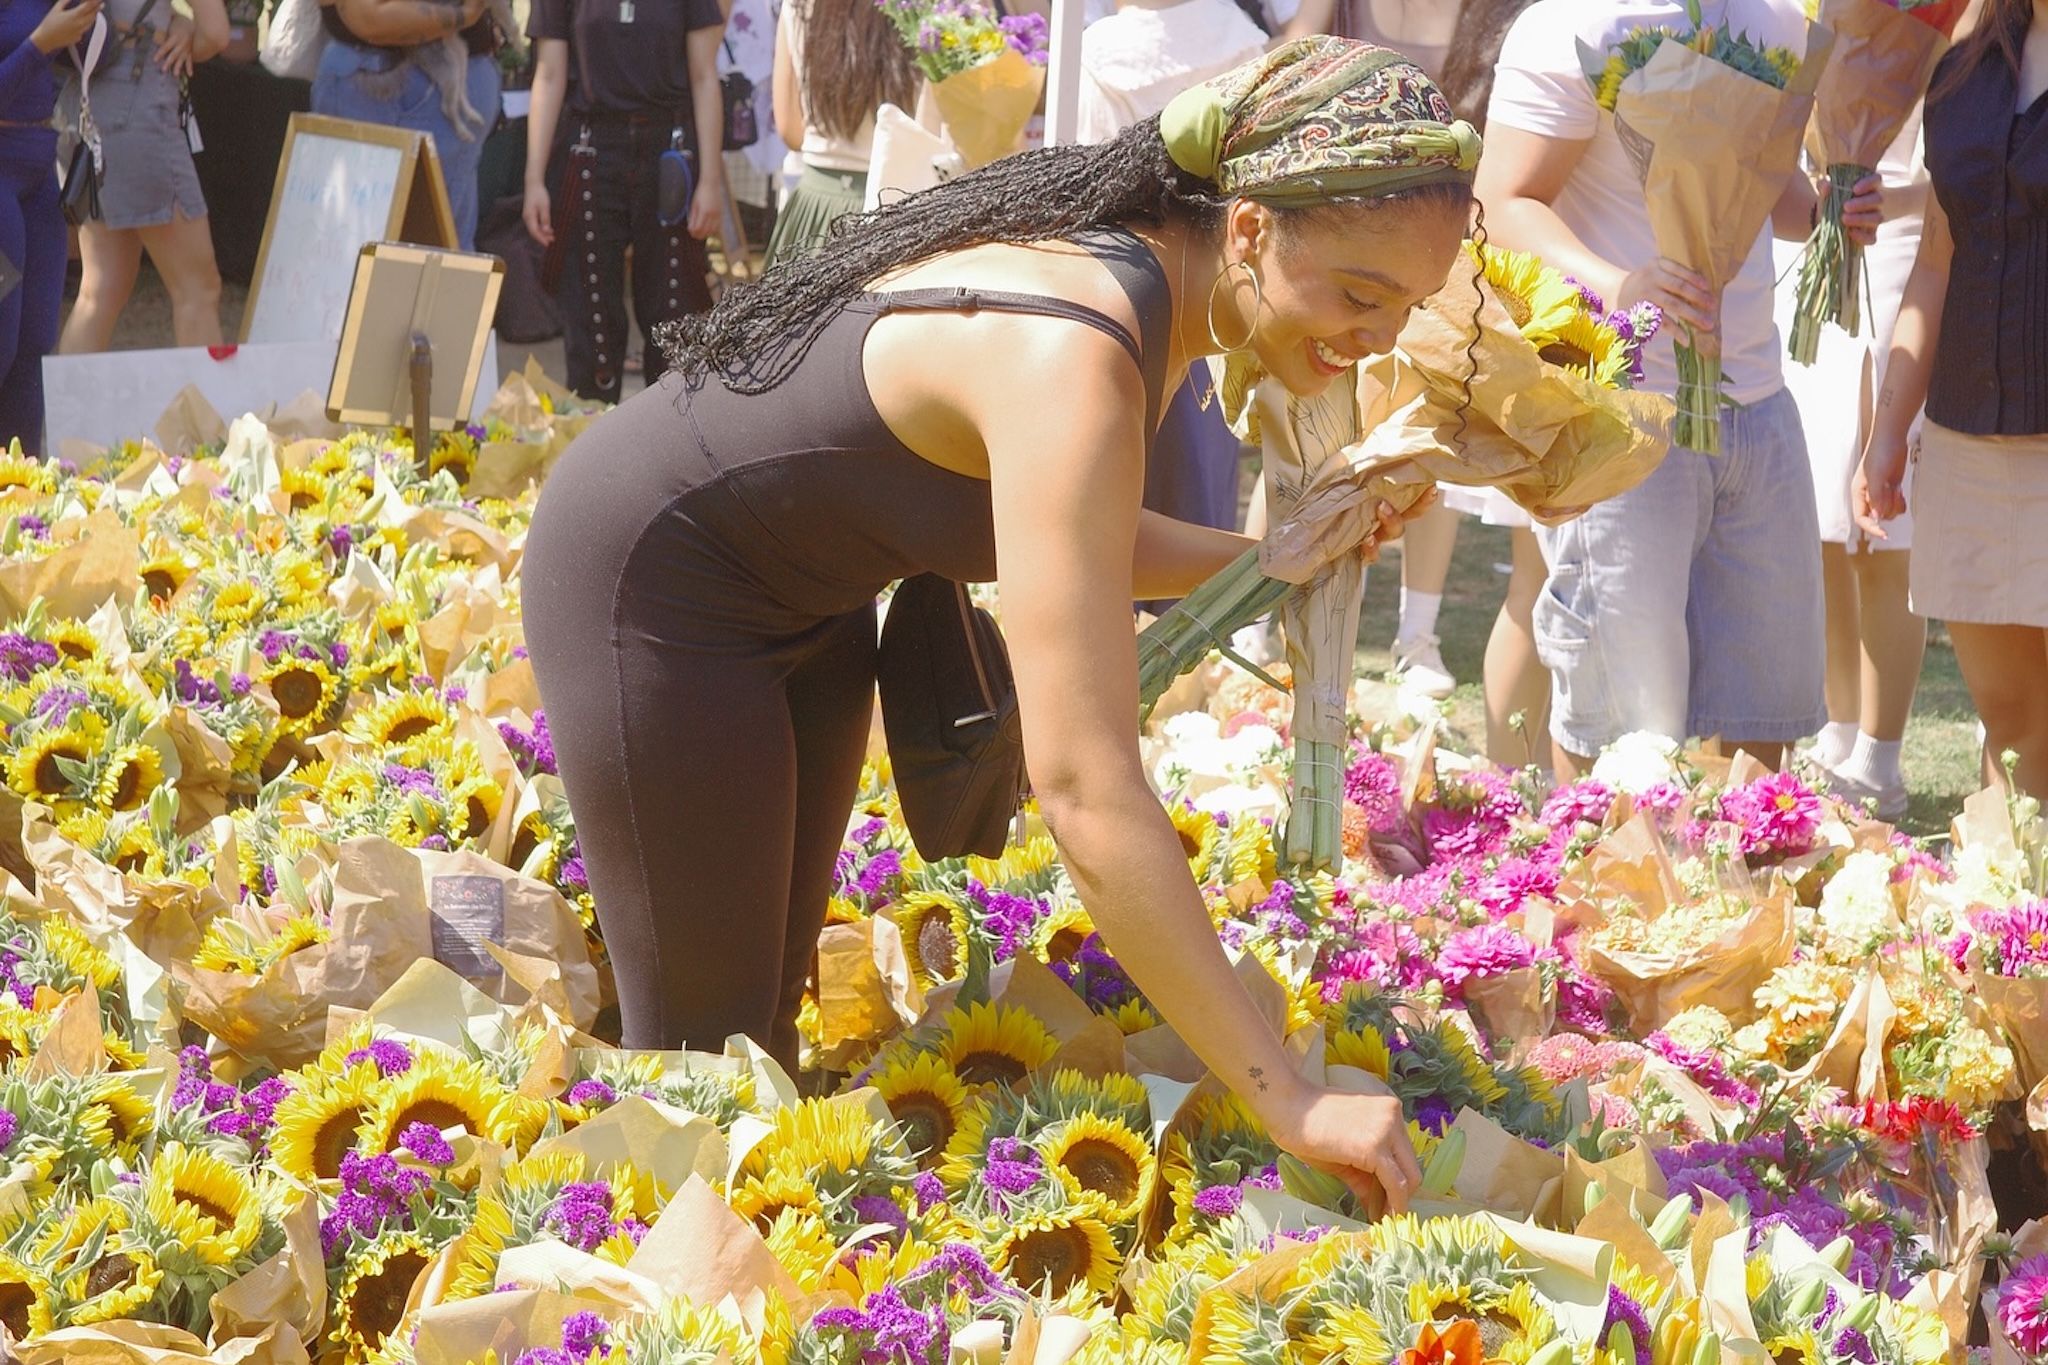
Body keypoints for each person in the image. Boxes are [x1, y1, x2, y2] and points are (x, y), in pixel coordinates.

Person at [522, 38, 1476, 1206]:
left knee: (757, 1035)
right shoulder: (1072, 355)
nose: (1373, 339)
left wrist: (1263, 560)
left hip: (800, 599)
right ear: (1245, 233)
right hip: (649, 586)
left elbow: (1070, 531)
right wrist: (1284, 1092)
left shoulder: (1149, 286)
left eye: (1408, 308)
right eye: (1358, 294)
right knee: (696, 1076)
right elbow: (1082, 785)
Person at [1476, 0, 1883, 776]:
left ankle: (1741, 890)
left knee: (1763, 715)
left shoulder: (1772, 21)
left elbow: (1764, 189)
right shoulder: (1570, 23)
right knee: (1624, 728)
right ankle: (1600, 887)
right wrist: (1620, 287)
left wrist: (1833, 208)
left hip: (1760, 405)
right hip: (1624, 412)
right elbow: (1500, 204)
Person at [1857, 0, 2048, 796]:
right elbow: (1938, 254)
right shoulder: (1968, 61)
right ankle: (2017, 909)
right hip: (1969, 443)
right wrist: (1888, 426)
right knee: (2012, 723)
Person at [1073, 0, 1267, 588]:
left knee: (1114, 493)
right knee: (1199, 481)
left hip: (1127, 287)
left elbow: (1089, 182)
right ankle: (1196, 642)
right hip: (1224, 289)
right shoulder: (1241, 39)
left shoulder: (1102, 53)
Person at [1774, 111, 1930, 820]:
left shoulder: (1952, 25)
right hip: (1812, 241)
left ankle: (1881, 755)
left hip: (1903, 253)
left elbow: (1967, 163)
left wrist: (1885, 202)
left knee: (1878, 527)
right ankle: (1836, 731)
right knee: (1819, 517)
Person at [521, 0, 725, 403]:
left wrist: (711, 180)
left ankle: (671, 452)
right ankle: (591, 449)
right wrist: (533, 179)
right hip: (590, 151)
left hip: (670, 154)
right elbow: (548, 75)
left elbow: (705, 76)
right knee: (591, 322)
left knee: (673, 318)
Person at [56, 0, 230, 354]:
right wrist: (180, 38)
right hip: (139, 102)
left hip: (85, 101)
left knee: (100, 289)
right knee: (198, 287)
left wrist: (176, 22)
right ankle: (202, 410)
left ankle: (69, 410)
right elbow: (215, 34)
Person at [313, 0, 506, 251]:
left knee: (438, 258)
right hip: (370, 75)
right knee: (342, 250)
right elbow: (369, 19)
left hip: (454, 74)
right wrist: (464, 15)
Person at [1, 0, 100, 456]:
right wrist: (41, 43)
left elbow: (102, 51)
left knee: (36, 348)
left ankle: (19, 493)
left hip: (41, 168)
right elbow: (40, 45)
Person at [764, 0, 915, 265]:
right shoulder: (937, 10)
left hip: (815, 216)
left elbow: (790, 129)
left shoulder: (799, 4)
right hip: (904, 211)